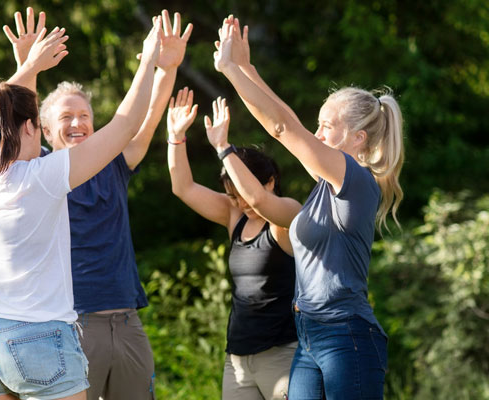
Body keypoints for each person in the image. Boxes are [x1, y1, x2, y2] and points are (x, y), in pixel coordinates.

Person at [0, 13, 161, 400]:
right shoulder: (41, 178)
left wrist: (26, 67)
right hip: (36, 338)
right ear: (33, 128)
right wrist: (148, 61)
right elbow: (126, 125)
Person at [213, 15, 404, 400]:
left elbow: (285, 127)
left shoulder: (354, 179)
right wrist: (247, 68)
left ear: (357, 138)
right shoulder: (322, 192)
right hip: (309, 335)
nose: (316, 135)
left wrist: (231, 70)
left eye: (326, 127)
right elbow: (287, 128)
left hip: (345, 336)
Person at [25, 10, 191, 400]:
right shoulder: (40, 171)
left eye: (84, 116)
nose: (77, 123)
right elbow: (16, 122)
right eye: (66, 117)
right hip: (74, 322)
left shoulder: (114, 165)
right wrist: (28, 66)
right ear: (46, 130)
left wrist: (166, 68)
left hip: (127, 320)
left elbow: (144, 121)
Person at [165, 88, 300, 400]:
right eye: (233, 195)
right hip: (237, 359)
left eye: (242, 192)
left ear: (269, 182)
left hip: (282, 356)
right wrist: (175, 137)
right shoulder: (234, 215)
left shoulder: (287, 214)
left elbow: (259, 200)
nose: (240, 201)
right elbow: (182, 187)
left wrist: (224, 147)